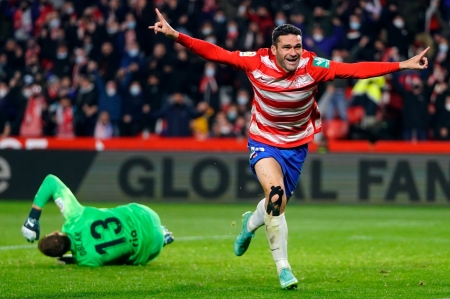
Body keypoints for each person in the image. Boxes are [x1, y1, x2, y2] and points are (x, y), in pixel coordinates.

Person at [150, 8, 429, 289]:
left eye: (298, 46)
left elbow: (354, 70)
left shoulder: (314, 66)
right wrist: (176, 35)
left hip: (297, 145)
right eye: (287, 47)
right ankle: (284, 269)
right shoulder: (257, 62)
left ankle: (250, 224)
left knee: (277, 203)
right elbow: (215, 53)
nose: (294, 52)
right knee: (275, 196)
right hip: (263, 140)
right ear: (274, 50)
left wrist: (402, 65)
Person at [21, 174, 174, 267]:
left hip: (151, 247)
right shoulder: (74, 217)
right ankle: (159, 231)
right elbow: (51, 181)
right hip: (145, 214)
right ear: (56, 232)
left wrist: (74, 259)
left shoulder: (87, 260)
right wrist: (32, 218)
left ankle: (162, 238)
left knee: (127, 256)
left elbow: (114, 259)